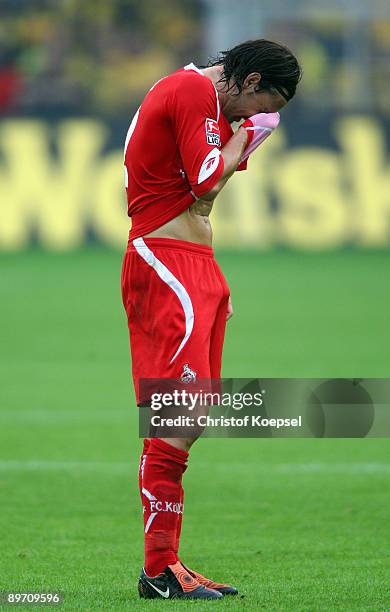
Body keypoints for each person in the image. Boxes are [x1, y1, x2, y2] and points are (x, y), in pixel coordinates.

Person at [121, 39, 302, 600]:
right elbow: (205, 182)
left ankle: (166, 565)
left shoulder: (205, 100)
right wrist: (245, 139)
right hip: (164, 259)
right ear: (248, 83)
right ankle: (159, 568)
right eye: (262, 103)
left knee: (192, 412)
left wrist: (239, 139)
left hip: (197, 263)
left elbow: (206, 187)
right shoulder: (192, 88)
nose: (256, 116)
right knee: (177, 411)